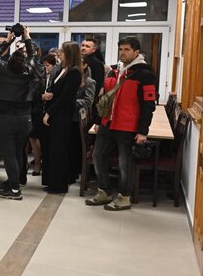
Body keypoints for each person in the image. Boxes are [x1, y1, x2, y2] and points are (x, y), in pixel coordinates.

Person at [86, 37, 158, 211]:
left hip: (128, 126)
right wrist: (98, 121)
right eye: (121, 49)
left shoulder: (145, 74)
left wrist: (143, 131)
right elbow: (105, 98)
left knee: (124, 163)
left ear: (136, 52)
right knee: (97, 156)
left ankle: (124, 197)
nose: (122, 53)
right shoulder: (114, 71)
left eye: (126, 49)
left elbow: (149, 105)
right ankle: (104, 191)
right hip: (107, 123)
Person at [0, 30, 39, 200]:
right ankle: (12, 182)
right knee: (17, 152)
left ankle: (15, 190)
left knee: (9, 155)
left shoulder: (1, 70)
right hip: (25, 119)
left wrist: (8, 41)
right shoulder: (28, 71)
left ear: (9, 61)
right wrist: (27, 37)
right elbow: (33, 56)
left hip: (3, 119)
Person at [42, 41, 83, 194]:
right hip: (57, 112)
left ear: (70, 54)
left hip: (62, 115)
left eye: (62, 51)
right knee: (54, 149)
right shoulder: (63, 69)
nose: (59, 54)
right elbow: (58, 89)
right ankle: (53, 181)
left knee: (59, 149)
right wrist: (50, 94)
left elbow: (66, 96)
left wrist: (49, 112)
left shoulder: (74, 71)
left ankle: (58, 185)